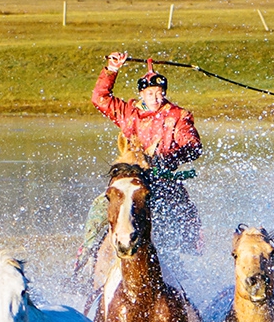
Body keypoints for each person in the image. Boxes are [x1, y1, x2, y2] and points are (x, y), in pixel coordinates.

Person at [83, 51, 203, 259]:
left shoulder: (177, 116)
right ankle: (84, 260)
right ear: (141, 94)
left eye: (159, 93)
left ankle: (186, 262)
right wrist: (112, 70)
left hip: (161, 180)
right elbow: (99, 98)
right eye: (150, 94)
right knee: (99, 209)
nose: (155, 98)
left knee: (184, 215)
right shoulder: (129, 112)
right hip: (129, 179)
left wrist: (168, 157)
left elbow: (193, 145)